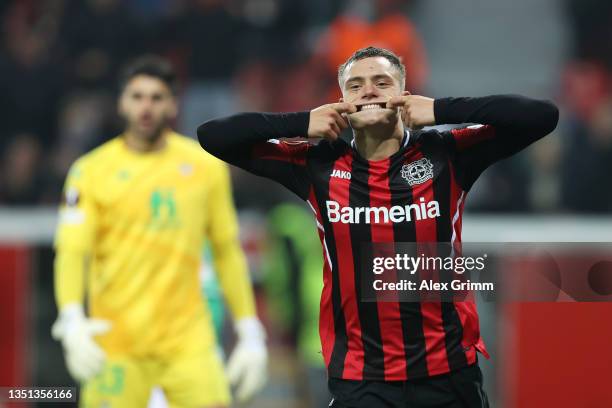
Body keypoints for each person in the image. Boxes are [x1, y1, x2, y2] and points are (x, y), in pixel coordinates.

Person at [197, 46, 558, 407]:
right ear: (342, 102)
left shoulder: (446, 154)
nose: (368, 91)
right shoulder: (317, 165)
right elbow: (214, 136)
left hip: (447, 374)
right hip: (362, 380)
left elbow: (541, 116)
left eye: (381, 82)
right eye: (355, 86)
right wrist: (301, 122)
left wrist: (441, 109)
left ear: (403, 95)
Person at [51, 55, 267, 408]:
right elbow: (73, 252)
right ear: (122, 103)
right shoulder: (90, 171)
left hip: (188, 343)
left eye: (156, 97)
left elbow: (227, 249)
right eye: (137, 97)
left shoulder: (204, 167)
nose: (146, 107)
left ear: (172, 105)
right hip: (117, 341)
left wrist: (249, 329)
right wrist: (72, 318)